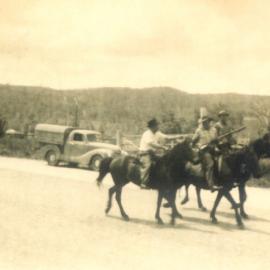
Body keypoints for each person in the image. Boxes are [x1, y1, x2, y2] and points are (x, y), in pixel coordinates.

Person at [139, 118, 182, 188]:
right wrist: (162, 147)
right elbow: (151, 144)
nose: (158, 127)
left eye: (157, 125)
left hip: (152, 153)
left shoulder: (157, 133)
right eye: (156, 125)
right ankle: (143, 183)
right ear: (152, 126)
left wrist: (178, 136)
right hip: (145, 153)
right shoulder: (147, 134)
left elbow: (167, 137)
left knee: (162, 162)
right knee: (148, 165)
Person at [192, 116, 220, 191]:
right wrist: (199, 147)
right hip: (203, 151)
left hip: (213, 149)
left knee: (224, 160)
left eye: (206, 122)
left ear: (209, 122)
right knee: (210, 163)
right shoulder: (199, 131)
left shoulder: (214, 130)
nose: (205, 123)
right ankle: (211, 185)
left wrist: (216, 144)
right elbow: (193, 142)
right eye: (203, 122)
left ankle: (223, 180)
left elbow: (216, 141)